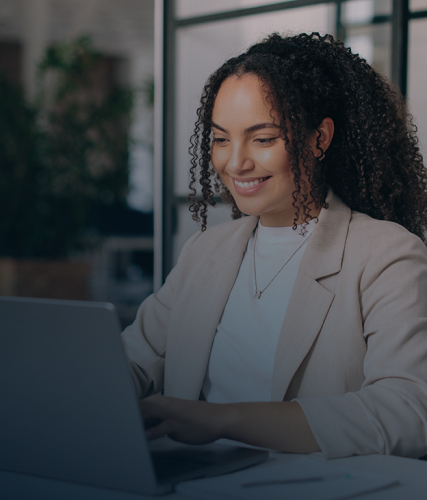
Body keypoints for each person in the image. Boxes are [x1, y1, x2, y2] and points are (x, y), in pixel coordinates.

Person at [122, 32, 427, 459]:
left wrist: (219, 420)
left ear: (319, 139)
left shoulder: (386, 255)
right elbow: (130, 362)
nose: (235, 162)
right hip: (198, 483)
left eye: (263, 139)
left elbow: (409, 412)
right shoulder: (204, 251)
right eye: (221, 139)